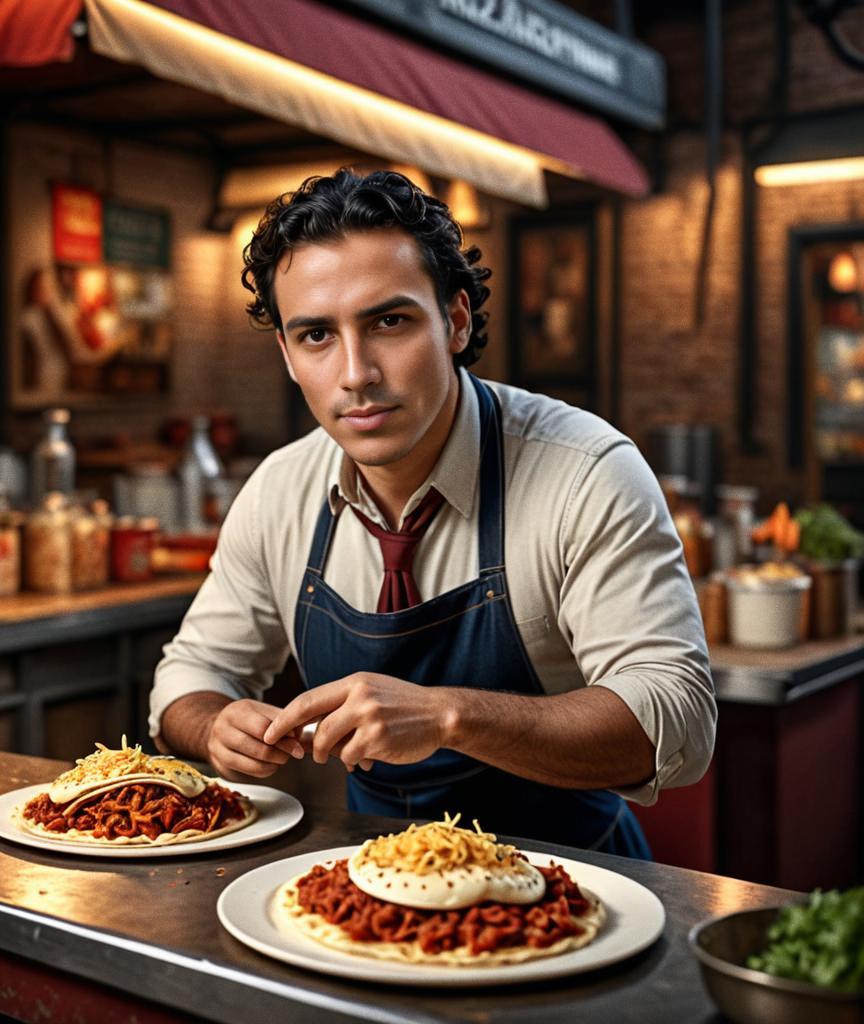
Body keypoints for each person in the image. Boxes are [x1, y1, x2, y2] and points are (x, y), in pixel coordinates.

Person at [149, 170, 715, 858]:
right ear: (289, 357)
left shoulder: (585, 470)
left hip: (582, 886)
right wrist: (213, 726)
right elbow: (187, 677)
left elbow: (676, 722)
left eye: (389, 321)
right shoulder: (279, 492)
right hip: (368, 887)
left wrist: (450, 715)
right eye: (317, 335)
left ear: (455, 320)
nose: (356, 372)